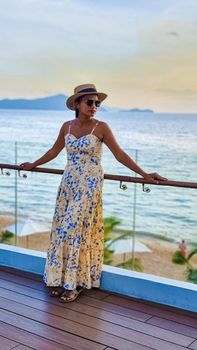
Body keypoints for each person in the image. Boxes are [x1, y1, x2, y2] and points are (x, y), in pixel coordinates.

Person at [20, 83, 167, 302]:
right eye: (90, 102)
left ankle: (76, 284)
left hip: (89, 183)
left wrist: (144, 174)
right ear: (77, 104)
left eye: (97, 103)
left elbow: (120, 154)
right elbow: (54, 150)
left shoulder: (102, 127)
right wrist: (33, 164)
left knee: (75, 229)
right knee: (63, 229)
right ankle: (63, 279)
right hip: (69, 183)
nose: (94, 106)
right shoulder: (66, 126)